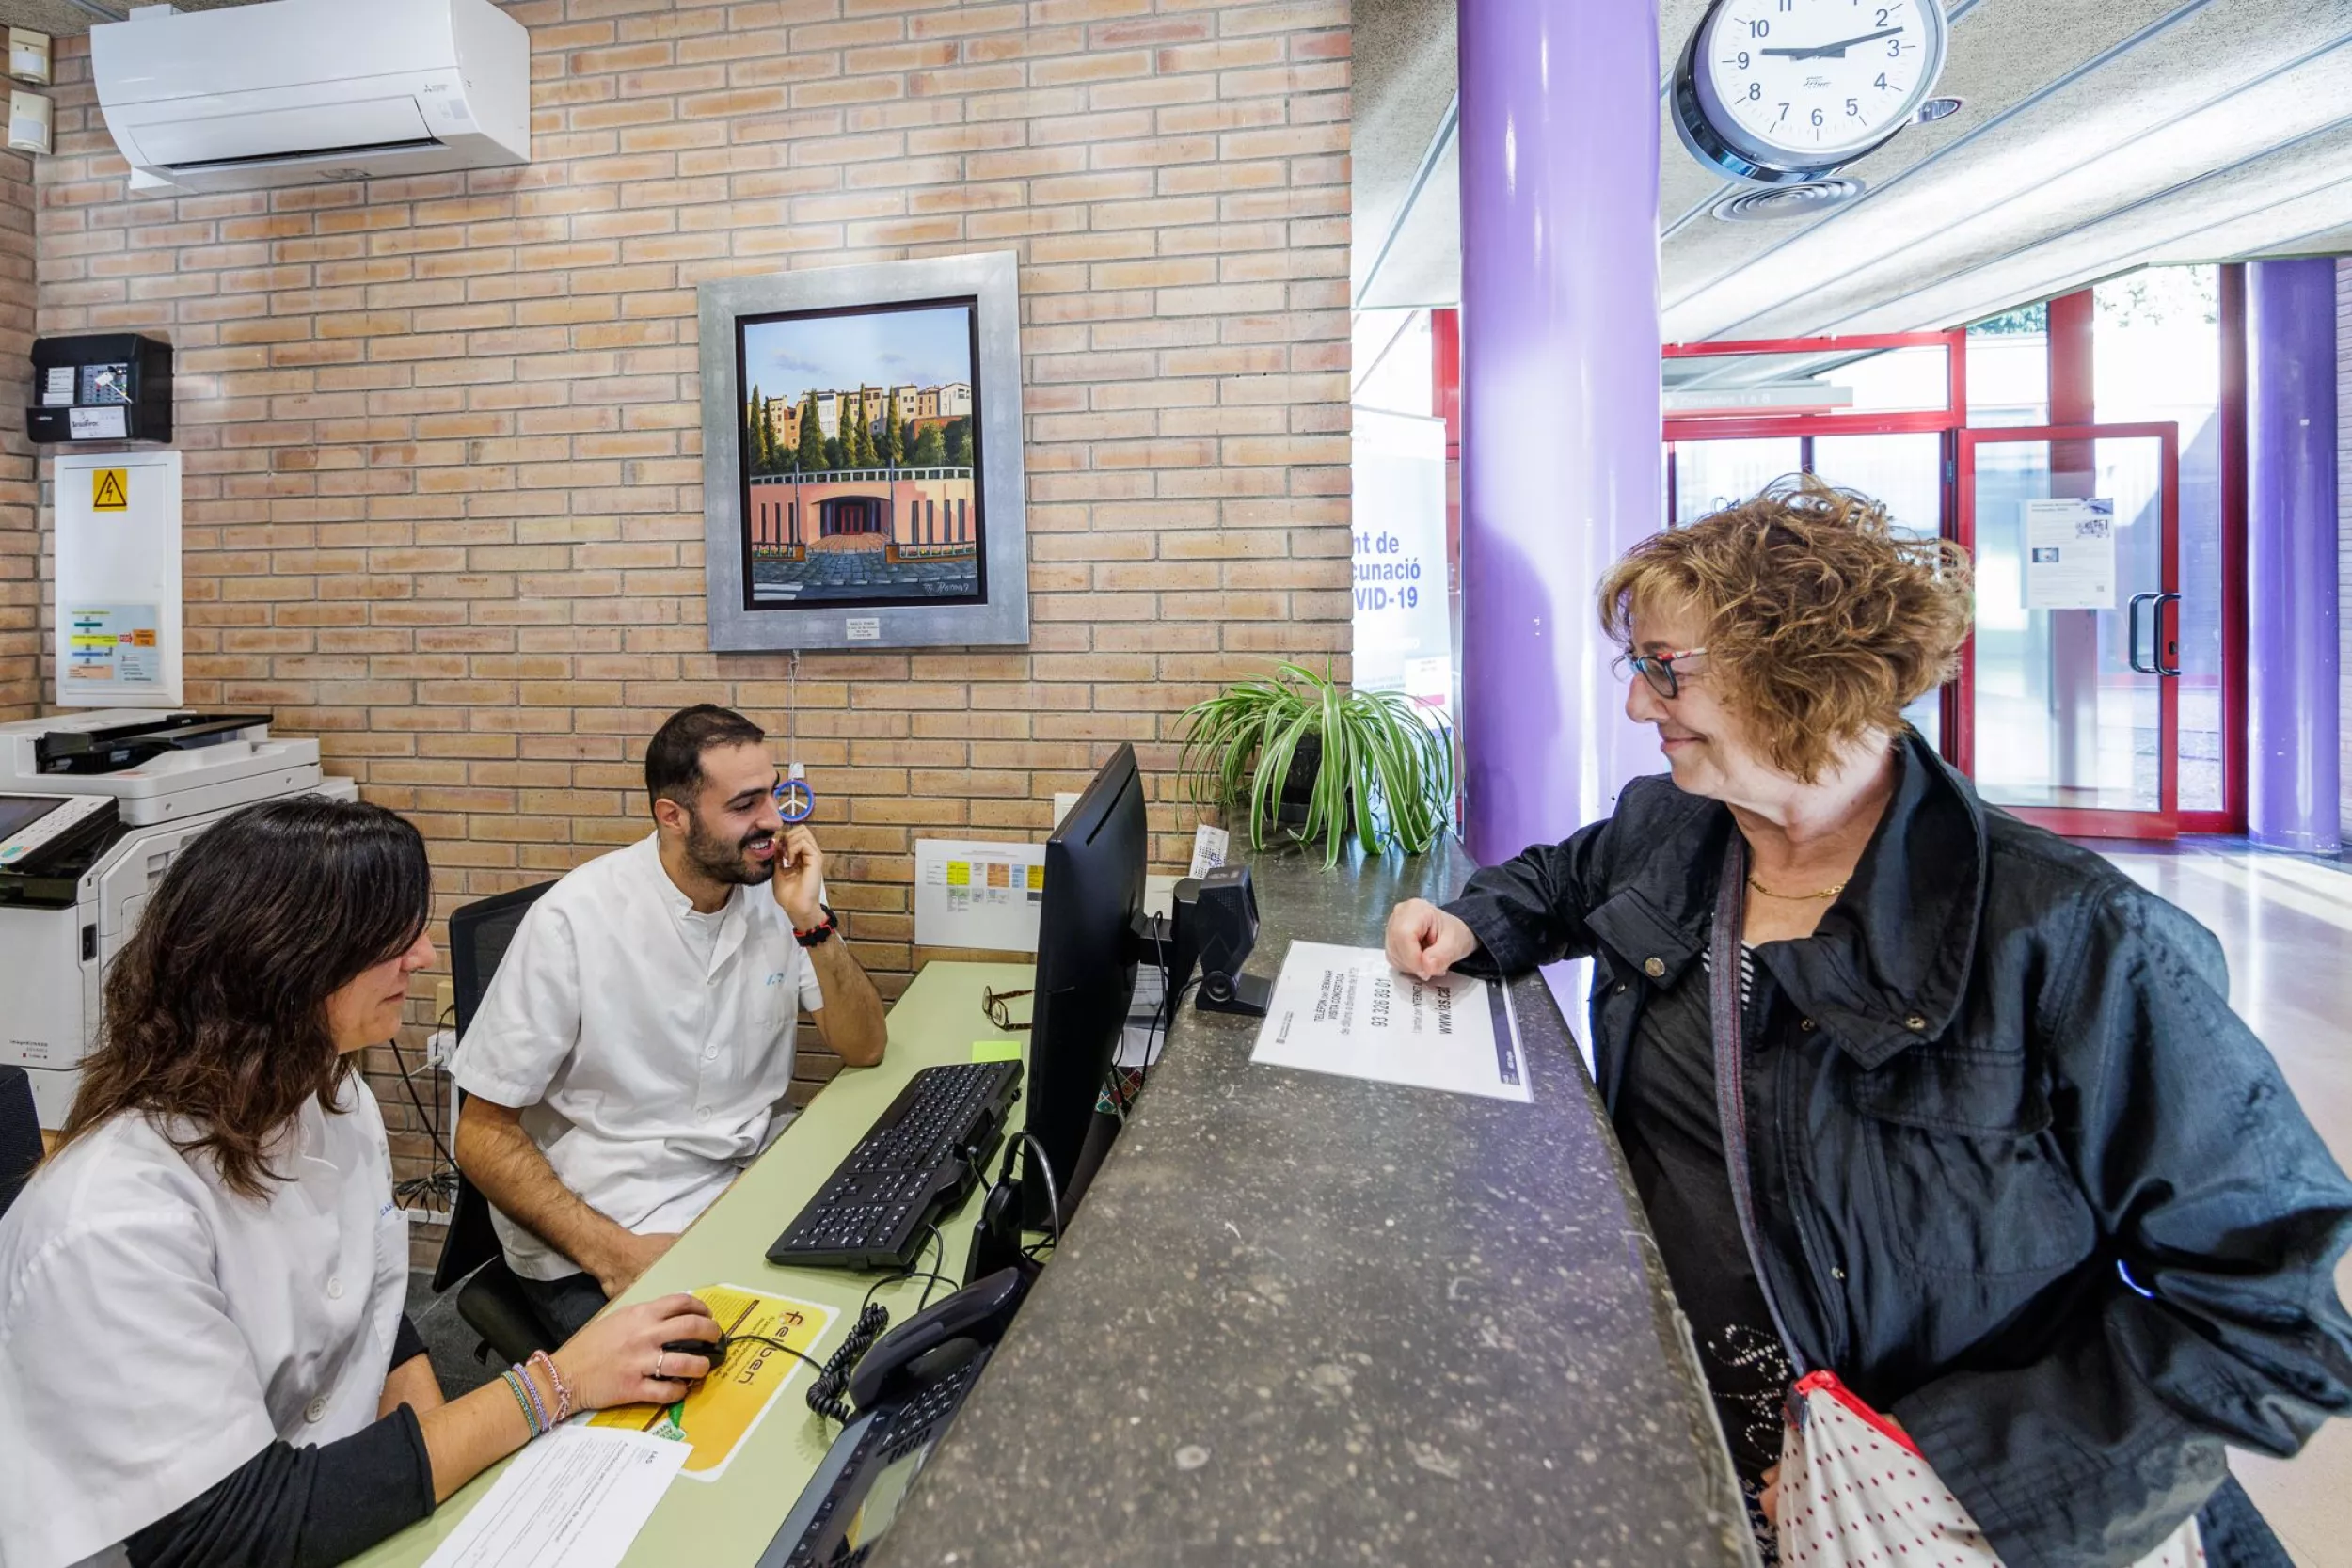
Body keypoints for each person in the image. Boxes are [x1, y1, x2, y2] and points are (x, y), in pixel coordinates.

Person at [1386, 478, 2352, 1568]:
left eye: (1667, 668)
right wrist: (1470, 922)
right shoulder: (1673, 824)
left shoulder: (2076, 935)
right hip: (1703, 1459)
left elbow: (2271, 1318)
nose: (1638, 706)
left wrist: (1947, 1464)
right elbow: (1565, 880)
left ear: (1805, 673)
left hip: (1934, 1517)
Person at [0, 798, 723, 1568]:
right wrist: (557, 1383)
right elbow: (233, 1531)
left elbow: (379, 1314)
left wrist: (449, 1510)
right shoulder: (113, 1218)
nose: (423, 958)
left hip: (320, 1497)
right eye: (394, 937)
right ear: (288, 959)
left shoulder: (334, 1097)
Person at [453, 704, 888, 1340]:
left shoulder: (778, 889)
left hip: (738, 1183)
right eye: (745, 805)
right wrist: (617, 1255)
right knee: (721, 1380)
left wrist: (809, 921)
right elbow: (481, 1137)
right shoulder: (574, 920)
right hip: (611, 1219)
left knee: (875, 1271)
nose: (773, 820)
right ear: (672, 816)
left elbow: (865, 1045)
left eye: (772, 794)